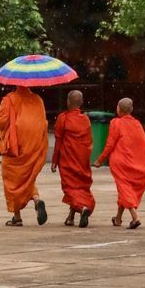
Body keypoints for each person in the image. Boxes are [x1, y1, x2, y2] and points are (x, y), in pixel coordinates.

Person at [94, 97, 145, 229]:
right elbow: (143, 144)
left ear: (118, 109)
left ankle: (135, 216)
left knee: (124, 189)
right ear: (131, 110)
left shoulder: (115, 122)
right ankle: (118, 218)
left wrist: (100, 160)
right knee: (125, 190)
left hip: (121, 163)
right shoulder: (137, 123)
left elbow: (110, 144)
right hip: (138, 162)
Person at [0, 86, 49, 226]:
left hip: (15, 145)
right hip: (33, 145)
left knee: (13, 179)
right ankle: (37, 200)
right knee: (27, 177)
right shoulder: (38, 100)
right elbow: (43, 122)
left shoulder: (9, 99)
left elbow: (2, 122)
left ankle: (17, 216)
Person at [51, 90, 95, 228]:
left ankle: (82, 209)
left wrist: (54, 161)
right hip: (81, 159)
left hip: (67, 159)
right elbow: (89, 142)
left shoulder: (63, 118)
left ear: (67, 102)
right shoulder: (85, 119)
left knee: (70, 188)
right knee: (80, 187)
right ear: (81, 103)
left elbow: (58, 141)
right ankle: (70, 217)